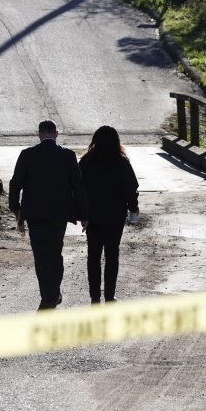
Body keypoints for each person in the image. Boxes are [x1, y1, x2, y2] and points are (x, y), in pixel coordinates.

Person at [8, 119, 88, 310]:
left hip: (35, 214)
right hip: (59, 214)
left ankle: (47, 296)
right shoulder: (67, 156)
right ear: (56, 134)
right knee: (55, 253)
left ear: (39, 134)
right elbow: (78, 186)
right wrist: (83, 214)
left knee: (40, 255)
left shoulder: (27, 155)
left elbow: (15, 183)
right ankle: (54, 292)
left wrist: (16, 209)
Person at [78, 125, 139, 304]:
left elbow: (78, 189)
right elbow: (131, 188)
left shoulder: (86, 161)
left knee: (93, 256)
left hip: (93, 216)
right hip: (115, 215)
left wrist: (81, 213)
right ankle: (110, 296)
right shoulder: (121, 161)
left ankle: (95, 297)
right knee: (112, 255)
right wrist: (133, 208)